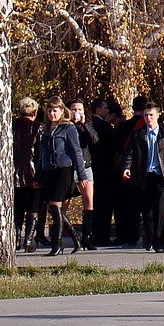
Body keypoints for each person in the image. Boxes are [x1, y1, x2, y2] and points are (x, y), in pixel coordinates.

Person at [122, 101, 164, 253]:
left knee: (160, 211)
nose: (148, 118)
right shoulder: (137, 134)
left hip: (161, 176)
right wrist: (126, 168)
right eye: (145, 115)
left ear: (158, 115)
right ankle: (148, 239)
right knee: (146, 211)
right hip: (143, 176)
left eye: (151, 115)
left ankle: (159, 242)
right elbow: (128, 153)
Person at [34, 96, 90, 256]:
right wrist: (38, 175)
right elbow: (42, 155)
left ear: (61, 111)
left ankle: (57, 244)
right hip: (48, 171)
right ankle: (75, 238)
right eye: (50, 111)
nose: (52, 114)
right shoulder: (45, 129)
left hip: (63, 170)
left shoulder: (68, 128)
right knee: (53, 208)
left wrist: (81, 175)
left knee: (55, 204)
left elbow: (76, 152)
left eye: (55, 110)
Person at [112, 96, 148, 247]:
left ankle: (127, 234)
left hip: (127, 170)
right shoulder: (147, 125)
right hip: (143, 169)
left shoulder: (123, 126)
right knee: (145, 204)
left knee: (127, 204)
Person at [68, 98, 100, 250]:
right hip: (69, 168)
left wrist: (83, 124)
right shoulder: (65, 126)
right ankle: (67, 234)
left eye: (80, 109)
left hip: (85, 166)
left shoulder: (87, 125)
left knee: (89, 201)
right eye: (74, 109)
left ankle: (87, 236)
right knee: (64, 202)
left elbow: (95, 140)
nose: (77, 112)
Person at [12, 97, 42, 252]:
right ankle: (28, 240)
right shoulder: (38, 128)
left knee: (17, 209)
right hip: (33, 175)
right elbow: (39, 153)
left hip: (13, 174)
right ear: (35, 112)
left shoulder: (11, 126)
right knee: (33, 208)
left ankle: (16, 239)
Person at [88, 97, 118, 245]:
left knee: (96, 203)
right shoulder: (103, 127)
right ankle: (102, 236)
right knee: (105, 204)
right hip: (105, 170)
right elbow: (113, 145)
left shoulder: (90, 125)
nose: (107, 110)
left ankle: (94, 233)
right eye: (105, 108)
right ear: (98, 109)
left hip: (94, 170)